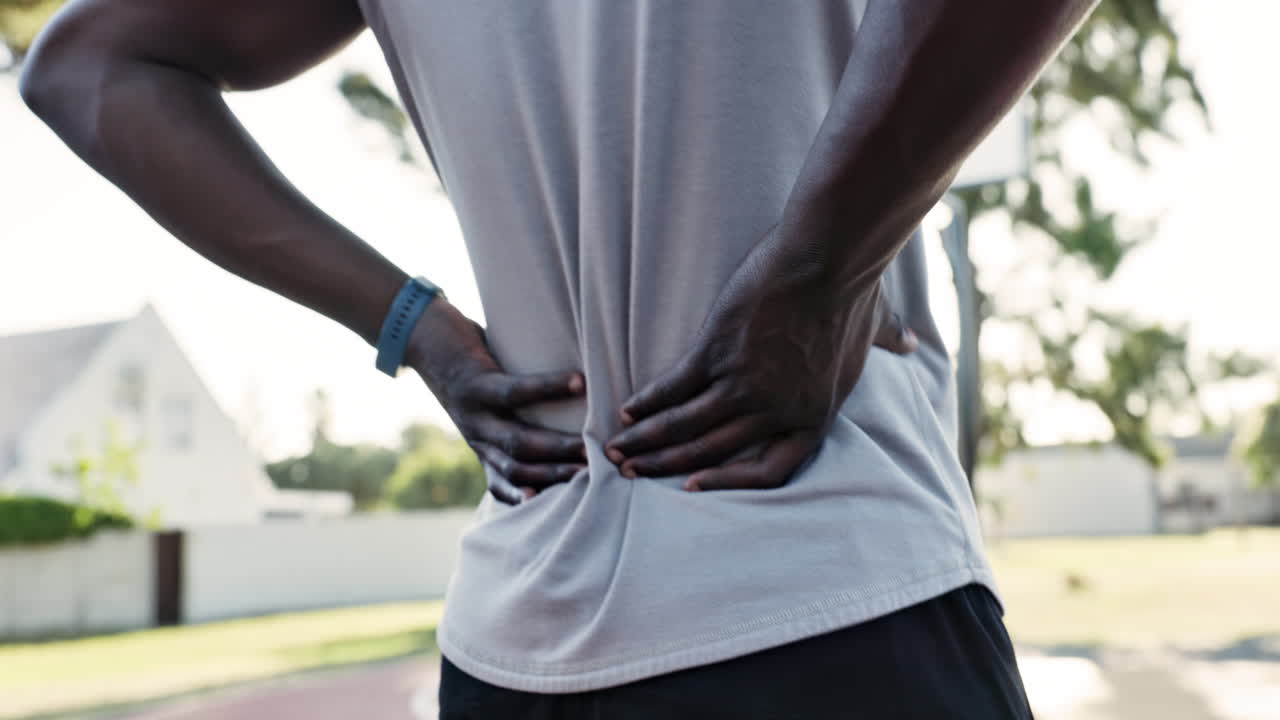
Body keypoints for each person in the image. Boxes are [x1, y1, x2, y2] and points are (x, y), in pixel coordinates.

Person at [21, 1, 1095, 716]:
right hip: (826, 584)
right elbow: (81, 69)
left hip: (516, 650)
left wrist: (414, 327)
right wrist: (816, 273)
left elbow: (86, 69)